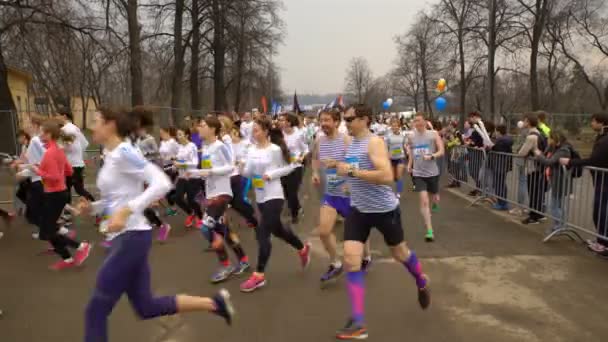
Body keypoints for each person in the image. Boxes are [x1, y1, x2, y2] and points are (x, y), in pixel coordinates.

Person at [77, 108, 233, 341]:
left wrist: (128, 210)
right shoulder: (111, 155)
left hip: (130, 238)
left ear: (111, 124)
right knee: (146, 307)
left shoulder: (124, 152)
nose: (92, 127)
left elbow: (160, 182)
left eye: (96, 121)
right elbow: (118, 197)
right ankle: (215, 304)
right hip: (128, 236)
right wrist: (95, 208)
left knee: (95, 310)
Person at [334, 105, 430, 340]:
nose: (345, 121)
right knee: (350, 260)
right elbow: (352, 170)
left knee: (400, 254)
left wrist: (353, 173)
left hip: (383, 210)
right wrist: (346, 181)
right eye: (344, 118)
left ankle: (420, 279)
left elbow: (386, 176)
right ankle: (358, 322)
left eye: (350, 118)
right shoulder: (351, 142)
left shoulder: (374, 142)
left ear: (365, 120)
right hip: (358, 210)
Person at [239, 117, 311, 293]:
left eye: (256, 130)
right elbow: (248, 173)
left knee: (263, 233)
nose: (253, 133)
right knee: (278, 230)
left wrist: (271, 174)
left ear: (265, 131)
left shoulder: (275, 150)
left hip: (275, 195)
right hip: (261, 197)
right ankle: (302, 248)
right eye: (252, 130)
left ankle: (259, 275)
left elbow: (290, 167)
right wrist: (242, 167)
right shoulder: (250, 150)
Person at [311, 108, 372, 286]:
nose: (323, 124)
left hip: (350, 194)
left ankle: (367, 256)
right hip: (331, 194)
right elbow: (315, 159)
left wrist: (347, 180)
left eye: (327, 120)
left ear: (337, 122)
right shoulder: (319, 141)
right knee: (323, 231)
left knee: (359, 232)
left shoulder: (346, 141)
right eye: (321, 120)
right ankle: (335, 263)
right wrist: (314, 173)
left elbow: (356, 164)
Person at [189, 116, 250, 283]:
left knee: (205, 228)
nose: (198, 129)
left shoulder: (220, 146)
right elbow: (207, 170)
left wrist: (210, 172)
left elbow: (230, 167)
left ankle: (225, 265)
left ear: (212, 129)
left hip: (222, 194)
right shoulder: (205, 146)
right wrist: (192, 173)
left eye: (202, 126)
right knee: (224, 230)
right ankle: (243, 260)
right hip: (210, 194)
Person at [32, 120, 91, 270]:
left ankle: (81, 247)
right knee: (48, 230)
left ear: (49, 134)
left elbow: (53, 177)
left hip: (54, 195)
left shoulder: (50, 153)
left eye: (42, 132)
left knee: (47, 231)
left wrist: (37, 170)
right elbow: (69, 171)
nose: (40, 135)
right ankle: (67, 257)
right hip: (59, 193)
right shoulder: (58, 150)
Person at [560, 113, 608, 255]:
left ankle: (604, 243)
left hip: (604, 181)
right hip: (601, 180)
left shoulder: (605, 140)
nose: (591, 124)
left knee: (600, 211)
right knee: (600, 210)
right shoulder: (602, 138)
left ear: (602, 123)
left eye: (593, 121)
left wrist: (571, 162)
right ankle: (601, 240)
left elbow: (594, 160)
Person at [406, 113, 445, 242]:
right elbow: (411, 151)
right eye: (415, 121)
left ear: (424, 121)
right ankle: (429, 230)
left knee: (434, 196)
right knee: (424, 200)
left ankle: (436, 199)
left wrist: (432, 156)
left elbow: (441, 151)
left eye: (419, 120)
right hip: (418, 173)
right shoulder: (411, 136)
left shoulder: (433, 134)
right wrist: (410, 164)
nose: (417, 123)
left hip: (432, 172)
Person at [135, 116, 172, 242]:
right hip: (140, 170)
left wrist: (146, 155)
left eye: (140, 129)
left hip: (151, 167)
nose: (138, 131)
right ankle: (155, 220)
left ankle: (160, 218)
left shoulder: (150, 139)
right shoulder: (136, 141)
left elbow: (156, 153)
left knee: (146, 198)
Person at [534, 130, 573, 233]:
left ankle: (559, 225)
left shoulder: (563, 150)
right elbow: (547, 155)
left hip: (559, 180)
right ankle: (560, 225)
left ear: (555, 138)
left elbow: (549, 161)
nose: (548, 139)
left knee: (555, 204)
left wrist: (539, 154)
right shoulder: (554, 148)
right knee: (558, 204)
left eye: (550, 138)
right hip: (554, 178)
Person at [55, 109, 95, 203]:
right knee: (74, 189)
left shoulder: (65, 129)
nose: (56, 118)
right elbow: (85, 143)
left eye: (57, 115)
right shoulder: (75, 128)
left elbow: (65, 147)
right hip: (77, 164)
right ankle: (69, 212)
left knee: (73, 189)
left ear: (64, 116)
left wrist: (60, 149)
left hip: (71, 164)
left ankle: (94, 204)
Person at [517, 113, 548, 225]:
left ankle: (534, 216)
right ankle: (538, 214)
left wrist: (521, 152)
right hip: (539, 166)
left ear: (529, 122)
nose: (523, 123)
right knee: (537, 191)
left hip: (533, 167)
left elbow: (522, 152)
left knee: (533, 191)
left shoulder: (531, 136)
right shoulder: (539, 133)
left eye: (525, 121)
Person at [278, 113, 309, 224]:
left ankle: (294, 214)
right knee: (286, 193)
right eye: (279, 120)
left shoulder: (299, 134)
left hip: (296, 167)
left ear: (289, 122)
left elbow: (305, 149)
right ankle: (297, 206)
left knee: (292, 193)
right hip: (283, 167)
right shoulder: (279, 135)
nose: (279, 122)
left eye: (282, 120)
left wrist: (301, 158)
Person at [174, 127, 204, 228]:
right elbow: (179, 161)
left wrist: (181, 165)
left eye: (180, 134)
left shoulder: (192, 146)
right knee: (177, 197)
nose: (178, 137)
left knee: (192, 200)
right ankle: (191, 213)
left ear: (186, 135)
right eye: (177, 135)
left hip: (192, 176)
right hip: (182, 176)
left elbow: (194, 163)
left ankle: (200, 217)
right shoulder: (179, 147)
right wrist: (175, 166)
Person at [488, 125, 513, 211]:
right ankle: (503, 202)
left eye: (496, 131)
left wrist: (492, 147)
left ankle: (502, 203)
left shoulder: (501, 141)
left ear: (498, 132)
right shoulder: (506, 140)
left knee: (499, 184)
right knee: (501, 184)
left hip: (499, 165)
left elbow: (497, 149)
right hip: (503, 165)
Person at [159, 127, 180, 216]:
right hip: (165, 167)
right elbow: (162, 155)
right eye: (160, 133)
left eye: (162, 133)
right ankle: (173, 208)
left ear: (167, 132)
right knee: (169, 188)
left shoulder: (173, 142)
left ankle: (173, 208)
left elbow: (180, 154)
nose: (161, 135)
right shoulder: (162, 143)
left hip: (173, 166)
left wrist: (174, 161)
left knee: (169, 188)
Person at [385, 117, 407, 198]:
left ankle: (398, 193)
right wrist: (387, 155)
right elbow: (385, 147)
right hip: (391, 158)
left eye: (396, 126)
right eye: (393, 126)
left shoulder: (402, 135)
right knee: (393, 177)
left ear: (399, 126)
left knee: (399, 176)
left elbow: (405, 145)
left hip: (400, 157)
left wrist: (407, 150)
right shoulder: (388, 136)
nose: (395, 127)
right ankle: (393, 190)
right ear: (391, 126)